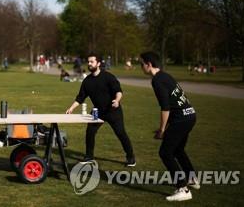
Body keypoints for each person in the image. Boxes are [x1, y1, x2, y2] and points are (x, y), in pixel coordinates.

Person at [140, 51, 198, 202]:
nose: (141, 67)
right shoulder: (165, 75)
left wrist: (162, 130)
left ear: (149, 64)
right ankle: (192, 178)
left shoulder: (157, 81)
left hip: (182, 119)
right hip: (190, 115)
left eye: (142, 64)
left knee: (165, 153)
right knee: (178, 149)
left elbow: (165, 108)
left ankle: (183, 189)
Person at [66, 53, 136, 167]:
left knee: (120, 133)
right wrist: (71, 108)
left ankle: (131, 157)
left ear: (98, 63)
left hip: (113, 110)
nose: (89, 64)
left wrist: (117, 100)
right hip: (98, 112)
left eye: (92, 62)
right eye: (88, 62)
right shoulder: (87, 81)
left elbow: (118, 90)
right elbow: (81, 97)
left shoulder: (108, 77)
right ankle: (89, 156)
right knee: (90, 132)